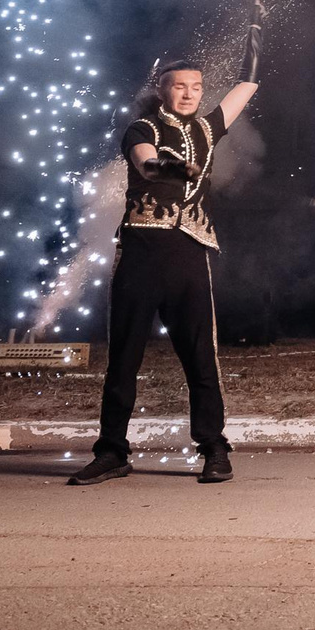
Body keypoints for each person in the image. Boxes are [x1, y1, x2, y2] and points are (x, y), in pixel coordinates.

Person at [67, 26, 260, 487]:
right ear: (162, 91)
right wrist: (170, 166)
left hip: (189, 256)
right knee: (124, 360)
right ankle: (112, 452)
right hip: (140, 255)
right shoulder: (143, 128)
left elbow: (248, 84)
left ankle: (213, 447)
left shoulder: (208, 129)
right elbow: (145, 162)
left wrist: (255, 27)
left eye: (196, 87)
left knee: (202, 358)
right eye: (180, 87)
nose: (189, 94)